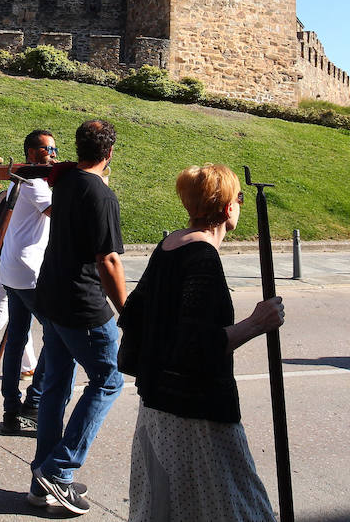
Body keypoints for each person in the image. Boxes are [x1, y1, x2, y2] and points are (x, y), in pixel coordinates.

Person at [119, 164, 285, 522]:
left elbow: (132, 314)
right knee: (235, 505)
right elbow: (197, 346)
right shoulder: (203, 258)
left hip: (157, 406)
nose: (240, 203)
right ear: (227, 208)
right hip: (197, 413)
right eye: (238, 197)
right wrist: (257, 323)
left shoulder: (170, 245)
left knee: (168, 507)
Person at [28, 120, 126, 516]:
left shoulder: (65, 181)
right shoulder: (100, 194)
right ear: (110, 153)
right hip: (82, 304)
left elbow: (54, 170)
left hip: (52, 296)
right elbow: (109, 260)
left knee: (56, 385)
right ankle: (60, 469)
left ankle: (41, 481)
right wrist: (128, 312)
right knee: (109, 379)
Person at [0, 129, 58, 434]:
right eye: (47, 149)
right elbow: (58, 211)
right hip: (28, 272)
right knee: (56, 335)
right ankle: (31, 404)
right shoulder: (33, 182)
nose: (53, 154)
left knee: (16, 337)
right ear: (31, 153)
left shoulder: (28, 181)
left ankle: (11, 408)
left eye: (55, 148)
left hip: (15, 270)